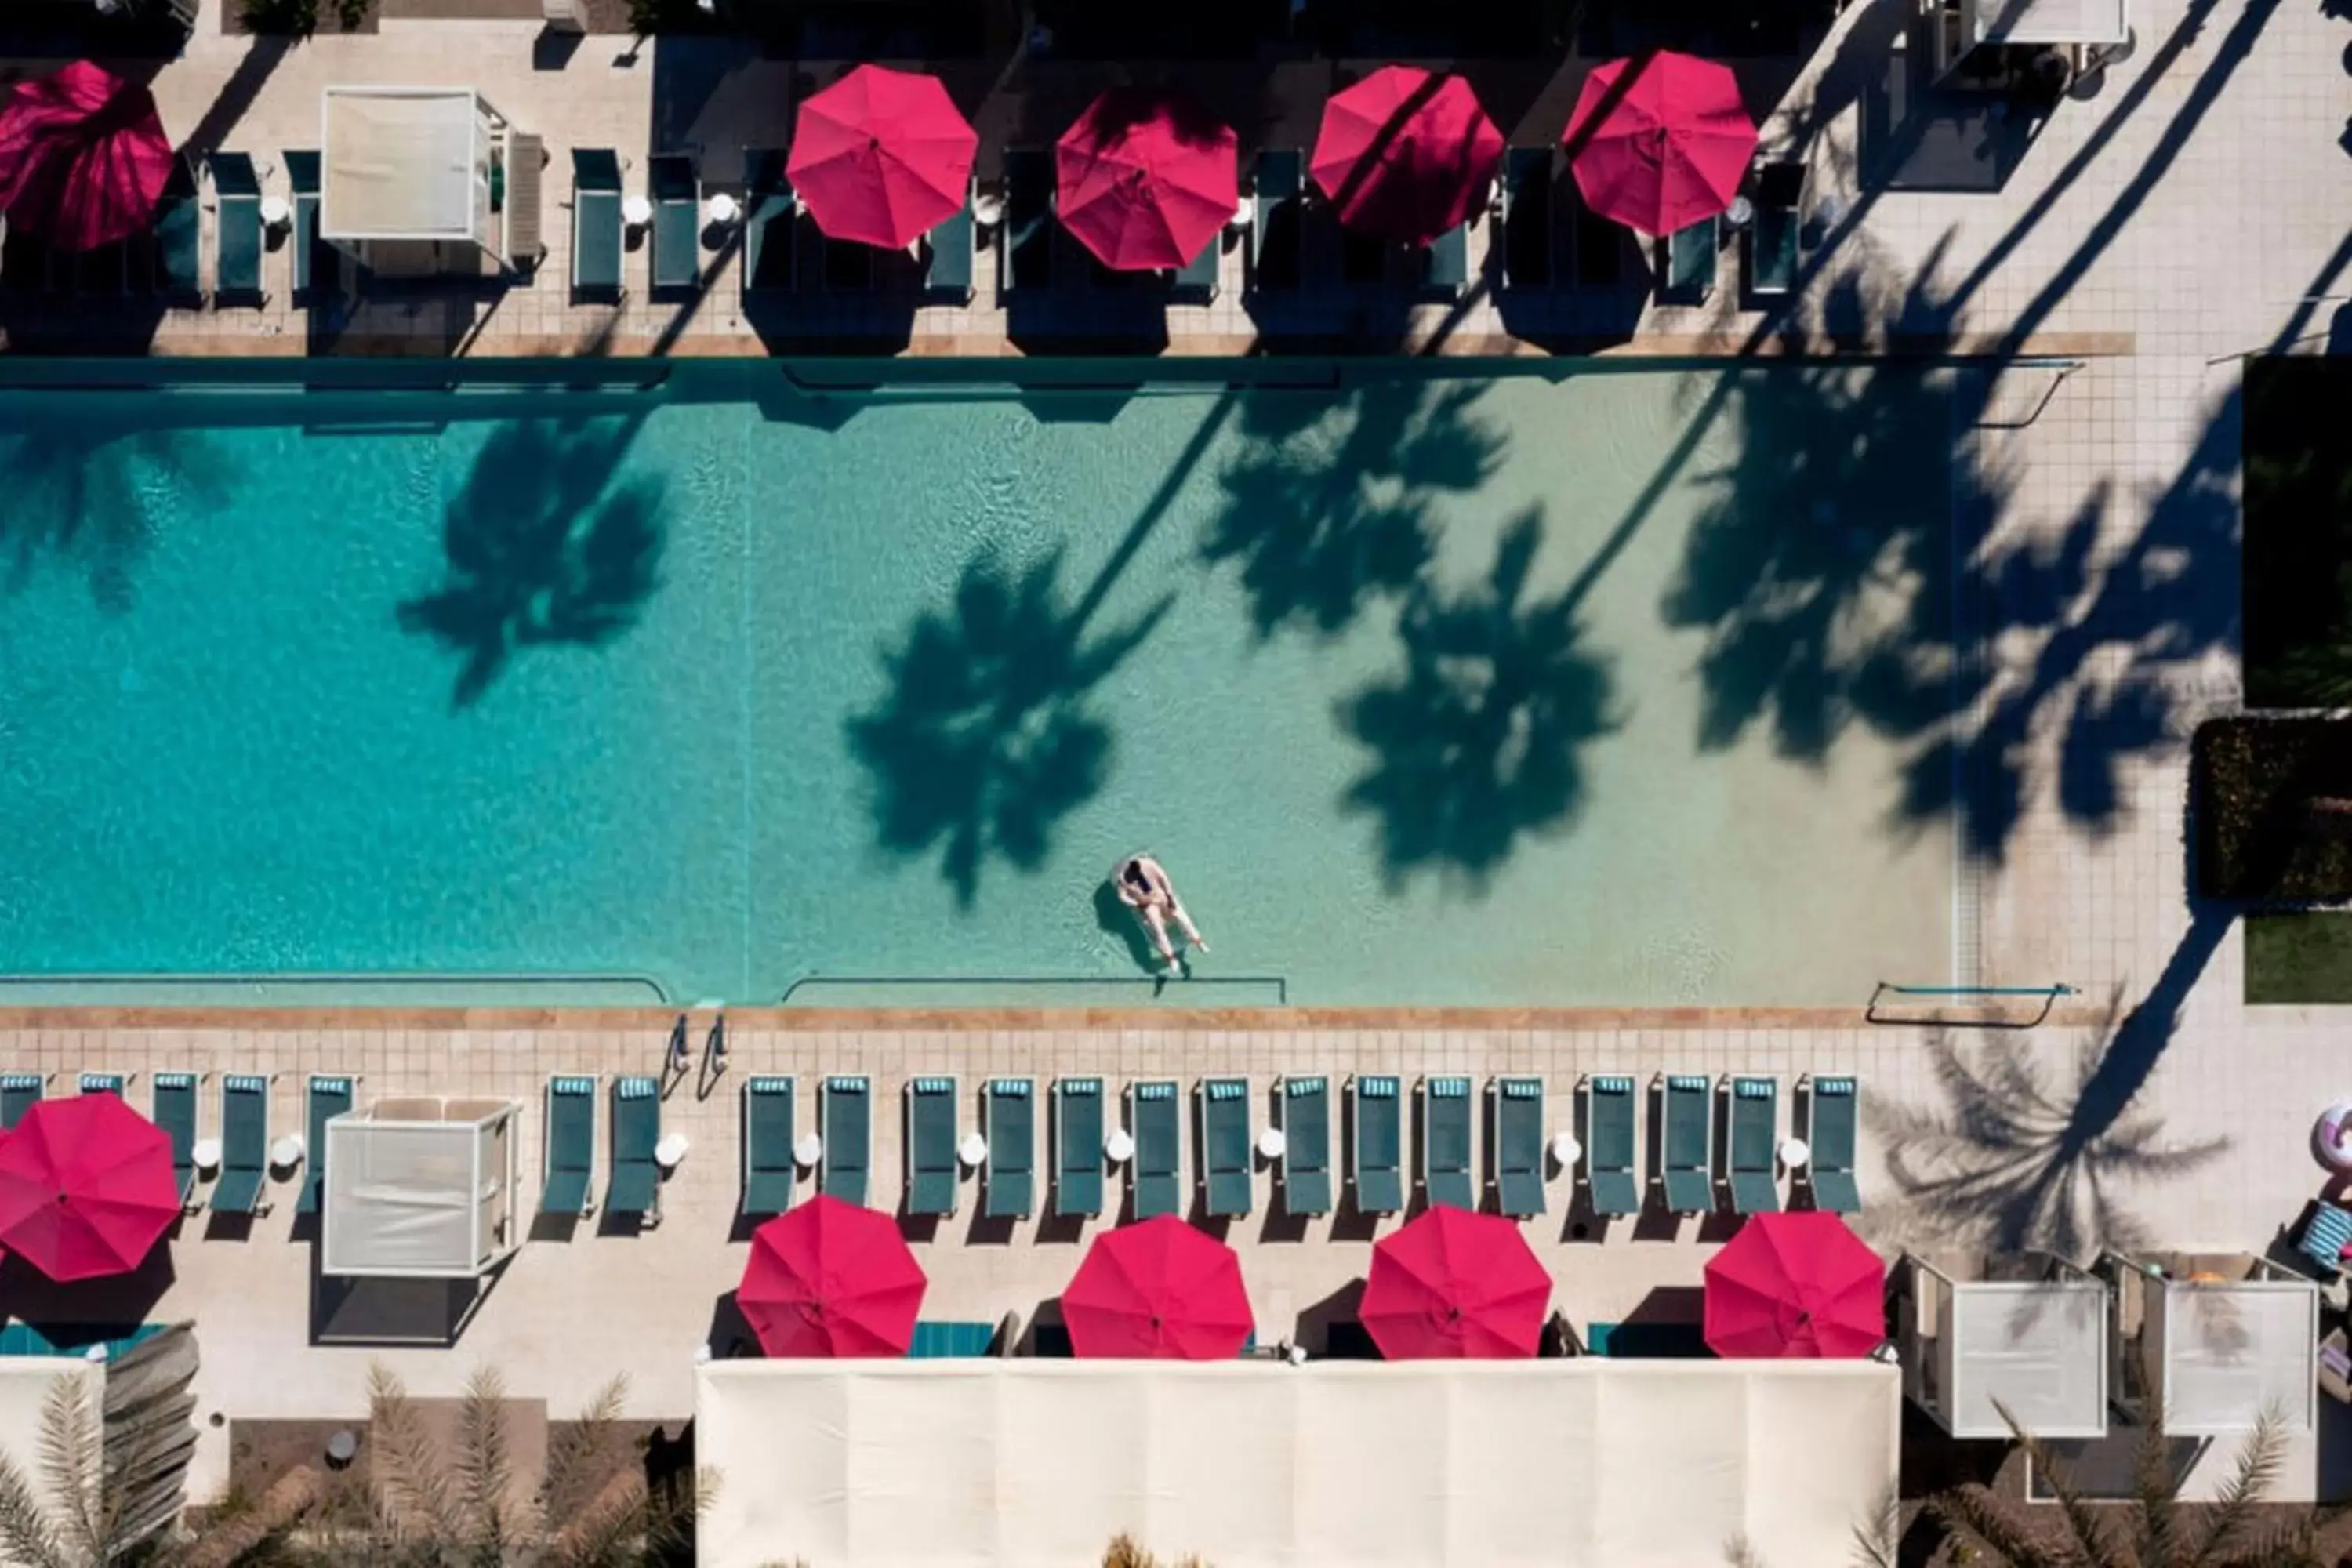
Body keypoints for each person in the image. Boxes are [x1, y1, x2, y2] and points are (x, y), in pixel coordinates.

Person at [1115, 854, 1208, 969]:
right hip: (1147, 903)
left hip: (1160, 894)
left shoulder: (1149, 864)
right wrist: (1137, 903)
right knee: (1159, 929)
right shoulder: (1123, 878)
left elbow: (1163, 878)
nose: (1135, 877)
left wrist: (1169, 896)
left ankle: (1198, 942)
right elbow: (1122, 897)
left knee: (1181, 916)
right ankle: (1171, 958)